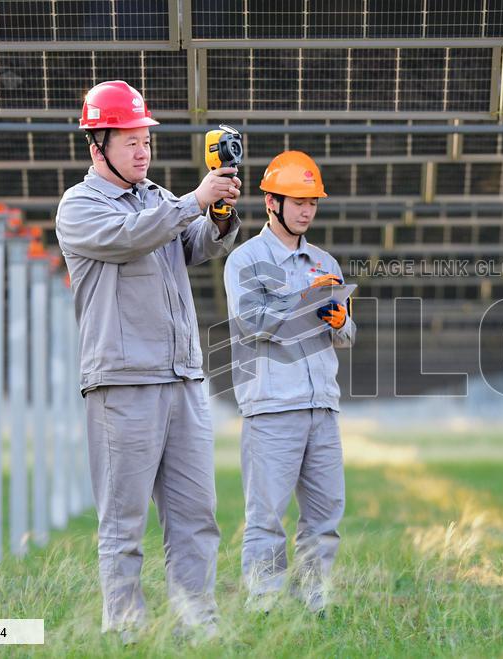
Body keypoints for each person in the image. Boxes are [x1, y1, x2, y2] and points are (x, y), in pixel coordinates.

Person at [55, 80, 241, 640]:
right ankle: (127, 633)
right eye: (131, 141)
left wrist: (223, 217)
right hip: (123, 383)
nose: (143, 151)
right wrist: (193, 202)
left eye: (146, 141)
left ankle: (198, 627)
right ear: (97, 146)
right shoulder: (80, 207)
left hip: (182, 377)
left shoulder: (158, 198)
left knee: (195, 517)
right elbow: (131, 239)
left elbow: (192, 246)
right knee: (124, 523)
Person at [223, 150, 355, 614]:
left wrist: (339, 320)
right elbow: (252, 322)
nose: (306, 210)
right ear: (271, 202)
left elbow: (346, 337)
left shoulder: (326, 263)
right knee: (266, 521)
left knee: (324, 519)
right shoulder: (246, 260)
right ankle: (264, 609)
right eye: (297, 200)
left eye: (312, 202)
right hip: (272, 409)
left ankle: (314, 605)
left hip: (323, 409)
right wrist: (305, 304)